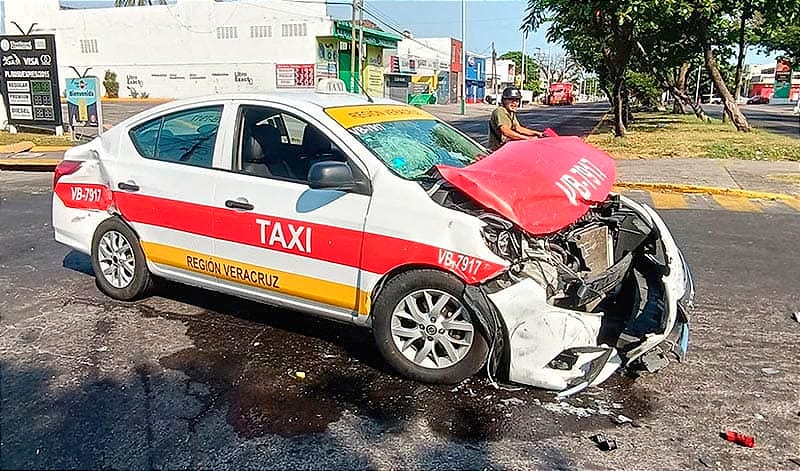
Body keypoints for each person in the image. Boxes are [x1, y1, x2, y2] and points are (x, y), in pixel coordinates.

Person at [487, 86, 543, 151]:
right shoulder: (500, 111)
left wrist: (538, 133)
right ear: (504, 100)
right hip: (497, 150)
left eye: (517, 101)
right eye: (511, 100)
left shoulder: (511, 112)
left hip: (506, 147)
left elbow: (518, 128)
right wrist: (528, 139)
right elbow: (506, 131)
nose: (514, 103)